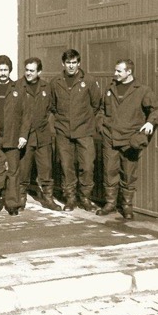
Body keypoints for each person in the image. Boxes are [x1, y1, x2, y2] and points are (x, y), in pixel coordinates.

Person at [97, 59, 158, 220]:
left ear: (129, 72)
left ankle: (127, 206)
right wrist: (101, 126)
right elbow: (101, 110)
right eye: (115, 70)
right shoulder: (110, 88)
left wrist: (149, 122)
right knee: (109, 172)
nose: (115, 73)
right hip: (110, 138)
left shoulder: (142, 90)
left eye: (119, 71)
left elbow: (156, 110)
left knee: (128, 174)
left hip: (130, 140)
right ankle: (110, 204)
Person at [50, 49, 102, 211]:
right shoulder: (55, 82)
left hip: (84, 131)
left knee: (87, 166)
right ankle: (70, 198)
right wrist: (59, 124)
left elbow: (96, 105)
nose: (71, 66)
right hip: (63, 131)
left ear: (79, 64)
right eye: (68, 63)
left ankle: (85, 198)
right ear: (63, 64)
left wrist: (85, 122)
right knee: (67, 166)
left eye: (74, 63)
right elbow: (52, 106)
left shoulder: (89, 81)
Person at [18, 57, 61, 211]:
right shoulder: (17, 86)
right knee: (23, 169)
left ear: (39, 72)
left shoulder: (46, 87)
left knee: (46, 168)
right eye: (27, 70)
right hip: (25, 136)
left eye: (32, 70)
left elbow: (51, 108)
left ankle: (48, 198)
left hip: (43, 135)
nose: (28, 73)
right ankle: (21, 198)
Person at [0, 55, 28, 215]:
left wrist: (23, 135)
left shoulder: (18, 88)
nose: (3, 73)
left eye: (5, 70)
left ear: (10, 70)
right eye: (0, 70)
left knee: (12, 172)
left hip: (12, 137)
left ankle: (12, 204)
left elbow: (26, 115)